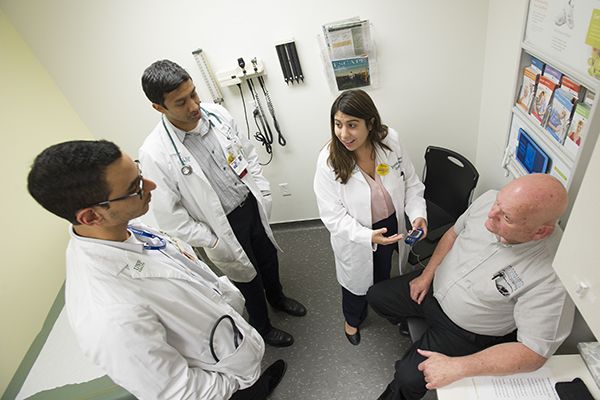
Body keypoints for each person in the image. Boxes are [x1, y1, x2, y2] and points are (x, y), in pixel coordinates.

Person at [27, 140, 287, 400]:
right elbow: (175, 391)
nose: (150, 186)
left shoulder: (123, 227)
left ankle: (257, 384)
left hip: (229, 348)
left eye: (139, 174)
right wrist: (236, 384)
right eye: (134, 188)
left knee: (254, 380)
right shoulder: (110, 316)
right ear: (92, 217)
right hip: (225, 388)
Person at [138, 60, 306, 348]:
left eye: (194, 93)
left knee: (267, 257)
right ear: (159, 107)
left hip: (250, 205)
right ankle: (263, 327)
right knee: (245, 277)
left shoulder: (216, 115)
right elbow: (171, 217)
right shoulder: (155, 153)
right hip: (219, 226)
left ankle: (277, 298)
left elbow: (248, 155)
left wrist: (263, 193)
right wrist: (212, 240)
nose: (194, 106)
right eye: (181, 102)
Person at [367, 173, 575, 400]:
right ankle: (412, 326)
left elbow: (534, 353)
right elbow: (452, 234)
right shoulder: (490, 201)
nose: (491, 214)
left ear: (540, 231)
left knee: (408, 379)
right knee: (376, 296)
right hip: (432, 287)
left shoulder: (552, 275)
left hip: (463, 331)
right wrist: (427, 275)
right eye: (498, 203)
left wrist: (458, 367)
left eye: (506, 217)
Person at [313, 89, 427, 346]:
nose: (343, 134)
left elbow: (410, 181)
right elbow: (332, 216)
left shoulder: (391, 141)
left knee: (383, 273)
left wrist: (418, 215)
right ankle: (352, 319)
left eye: (352, 125)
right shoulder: (328, 161)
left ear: (371, 122)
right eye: (338, 124)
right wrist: (366, 236)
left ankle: (384, 305)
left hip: (389, 223)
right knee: (355, 282)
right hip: (356, 231)